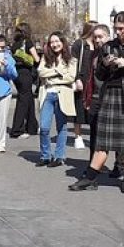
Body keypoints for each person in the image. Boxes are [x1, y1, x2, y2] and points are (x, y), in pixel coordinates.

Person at [69, 11, 124, 194]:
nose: (118, 32)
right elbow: (99, 75)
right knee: (102, 140)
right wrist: (105, 65)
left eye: (122, 28)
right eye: (116, 28)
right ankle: (90, 178)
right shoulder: (108, 46)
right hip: (112, 94)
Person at [36, 32, 77, 167]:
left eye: (57, 41)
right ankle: (45, 155)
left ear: (63, 42)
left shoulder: (71, 59)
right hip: (47, 94)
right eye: (52, 42)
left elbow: (70, 77)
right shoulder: (45, 58)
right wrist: (58, 72)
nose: (54, 44)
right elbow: (41, 72)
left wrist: (51, 77)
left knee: (62, 127)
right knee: (44, 128)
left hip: (62, 95)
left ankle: (59, 156)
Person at [84, 24, 110, 164]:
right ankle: (92, 165)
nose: (98, 40)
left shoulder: (113, 52)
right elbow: (89, 78)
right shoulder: (93, 54)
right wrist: (87, 99)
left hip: (109, 98)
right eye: (95, 38)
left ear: (107, 37)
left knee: (113, 135)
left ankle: (119, 166)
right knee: (94, 135)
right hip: (95, 97)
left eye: (101, 37)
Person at [10, 23, 41, 140]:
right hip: (26, 74)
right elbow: (36, 59)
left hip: (16, 74)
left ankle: (32, 127)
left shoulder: (14, 45)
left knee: (28, 99)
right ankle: (17, 129)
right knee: (23, 101)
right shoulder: (28, 42)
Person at [71, 23, 96, 146]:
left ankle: (94, 135)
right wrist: (76, 78)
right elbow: (73, 63)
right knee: (79, 108)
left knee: (93, 108)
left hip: (94, 80)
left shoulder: (98, 44)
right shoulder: (79, 44)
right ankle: (78, 136)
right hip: (81, 79)